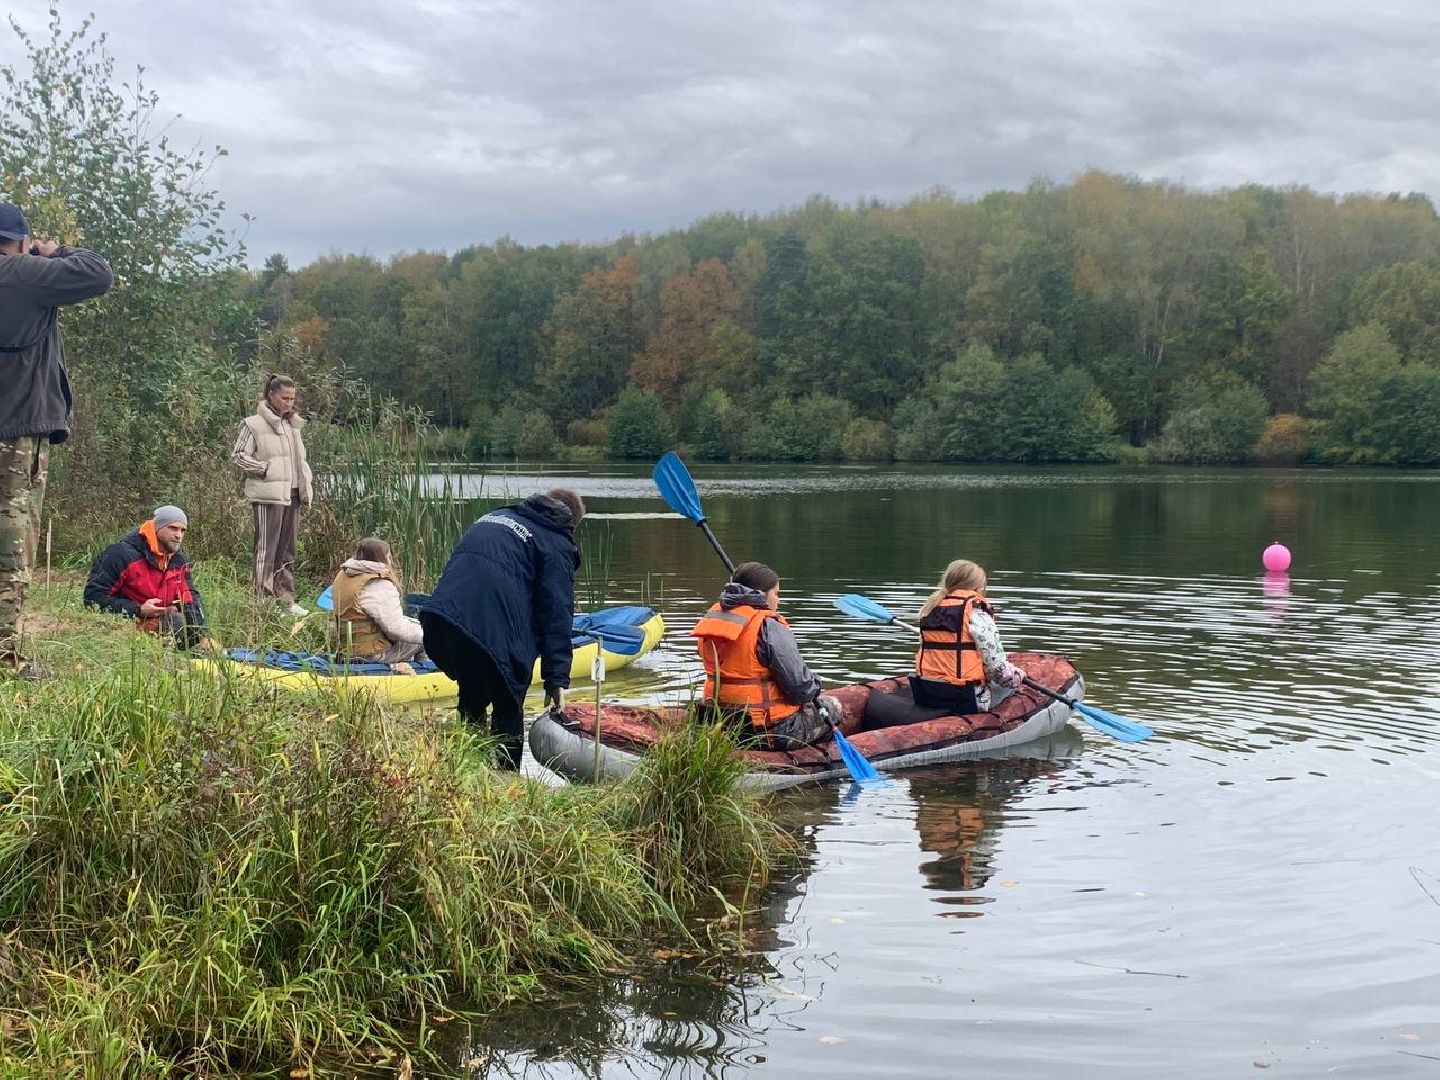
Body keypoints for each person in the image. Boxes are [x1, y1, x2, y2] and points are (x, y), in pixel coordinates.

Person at [0, 203, 113, 675]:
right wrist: (55, 250)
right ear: (23, 241)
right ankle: (5, 657)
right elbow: (96, 272)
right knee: (12, 545)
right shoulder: (23, 273)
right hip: (16, 433)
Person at [420, 489, 584, 771]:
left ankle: (466, 773)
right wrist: (556, 679)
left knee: (472, 694)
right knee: (508, 705)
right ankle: (507, 782)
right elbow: (556, 614)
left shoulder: (496, 516)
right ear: (570, 522)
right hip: (489, 625)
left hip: (442, 620)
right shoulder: (555, 542)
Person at [691, 561, 842, 751]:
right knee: (833, 707)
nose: (778, 601)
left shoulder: (712, 619)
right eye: (776, 593)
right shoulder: (769, 626)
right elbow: (800, 691)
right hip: (766, 731)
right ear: (762, 595)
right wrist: (816, 683)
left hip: (718, 722)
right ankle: (813, 760)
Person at [232, 373, 312, 615]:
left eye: (292, 398)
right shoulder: (252, 424)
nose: (289, 403)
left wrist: (306, 483)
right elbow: (238, 456)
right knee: (266, 550)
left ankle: (285, 600)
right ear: (271, 395)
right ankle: (262, 601)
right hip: (268, 495)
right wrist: (264, 468)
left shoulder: (292, 425)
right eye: (284, 398)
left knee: (288, 550)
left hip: (293, 493)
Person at [83, 504, 208, 649]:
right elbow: (93, 598)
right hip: (127, 626)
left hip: (165, 626)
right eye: (173, 528)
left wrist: (199, 633)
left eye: (182, 530)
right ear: (157, 528)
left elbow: (190, 598)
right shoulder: (120, 555)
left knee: (203, 642)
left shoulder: (179, 561)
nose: (178, 535)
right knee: (177, 622)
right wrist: (139, 609)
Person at [912, 559, 1026, 715]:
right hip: (965, 698)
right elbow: (997, 670)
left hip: (929, 693)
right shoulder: (977, 615)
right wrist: (1018, 676)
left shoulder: (930, 609)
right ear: (979, 587)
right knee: (1011, 687)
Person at [331, 537, 425, 668]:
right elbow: (396, 630)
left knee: (415, 627)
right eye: (389, 557)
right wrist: (429, 634)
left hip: (346, 653)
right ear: (383, 558)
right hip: (372, 655)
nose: (391, 562)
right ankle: (427, 673)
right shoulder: (378, 583)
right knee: (424, 640)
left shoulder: (343, 576)